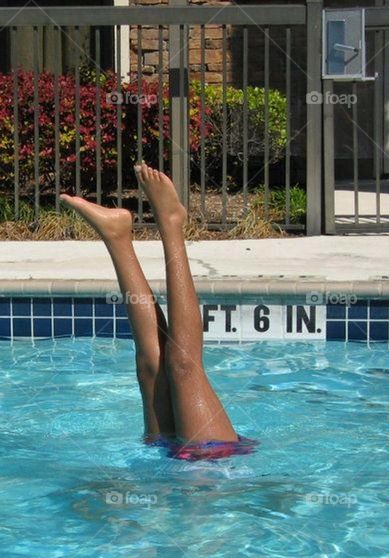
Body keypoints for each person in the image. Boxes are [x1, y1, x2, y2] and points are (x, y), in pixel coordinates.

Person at [59, 163, 256, 461]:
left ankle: (117, 238)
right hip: (214, 460)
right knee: (183, 365)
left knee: (150, 365)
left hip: (164, 459)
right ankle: (171, 221)